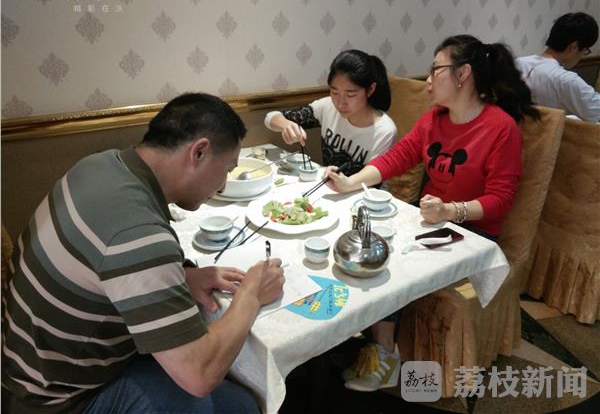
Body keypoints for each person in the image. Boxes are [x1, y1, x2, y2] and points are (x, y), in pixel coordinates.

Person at [1, 93, 285, 414]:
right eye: (227, 170)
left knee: (241, 404)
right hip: (54, 400)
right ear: (199, 152)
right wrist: (251, 294)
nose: (222, 186)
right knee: (208, 400)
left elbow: (104, 264)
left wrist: (183, 275)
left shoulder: (99, 164)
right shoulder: (138, 234)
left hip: (26, 364)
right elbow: (199, 375)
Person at [325, 35, 540, 392]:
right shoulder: (434, 120)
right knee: (371, 243)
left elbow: (500, 200)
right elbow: (398, 158)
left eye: (435, 69)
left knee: (392, 261)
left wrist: (450, 211)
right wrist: (350, 182)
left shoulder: (500, 128)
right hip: (432, 222)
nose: (428, 79)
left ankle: (385, 355)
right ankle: (373, 340)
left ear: (463, 74)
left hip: (474, 234)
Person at [264, 49, 398, 176]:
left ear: (370, 89)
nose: (340, 103)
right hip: (329, 186)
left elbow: (372, 180)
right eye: (334, 92)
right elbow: (270, 118)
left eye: (350, 95)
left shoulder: (383, 131)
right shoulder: (328, 106)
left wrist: (344, 184)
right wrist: (286, 125)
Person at [516, 12, 599, 123]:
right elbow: (596, 110)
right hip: (545, 132)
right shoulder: (566, 80)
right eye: (585, 51)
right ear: (574, 47)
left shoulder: (517, 63)